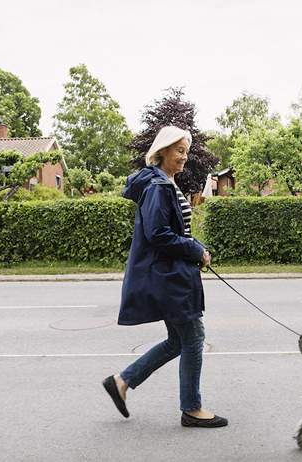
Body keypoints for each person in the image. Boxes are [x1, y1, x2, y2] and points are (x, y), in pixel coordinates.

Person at [102, 126, 228, 428]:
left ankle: (121, 381)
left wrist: (194, 250)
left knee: (177, 341)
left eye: (186, 150)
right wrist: (196, 250)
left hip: (171, 274)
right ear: (162, 153)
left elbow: (174, 232)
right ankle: (192, 408)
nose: (184, 156)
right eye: (179, 150)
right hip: (168, 277)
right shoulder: (159, 186)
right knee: (194, 338)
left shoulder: (165, 182)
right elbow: (158, 234)